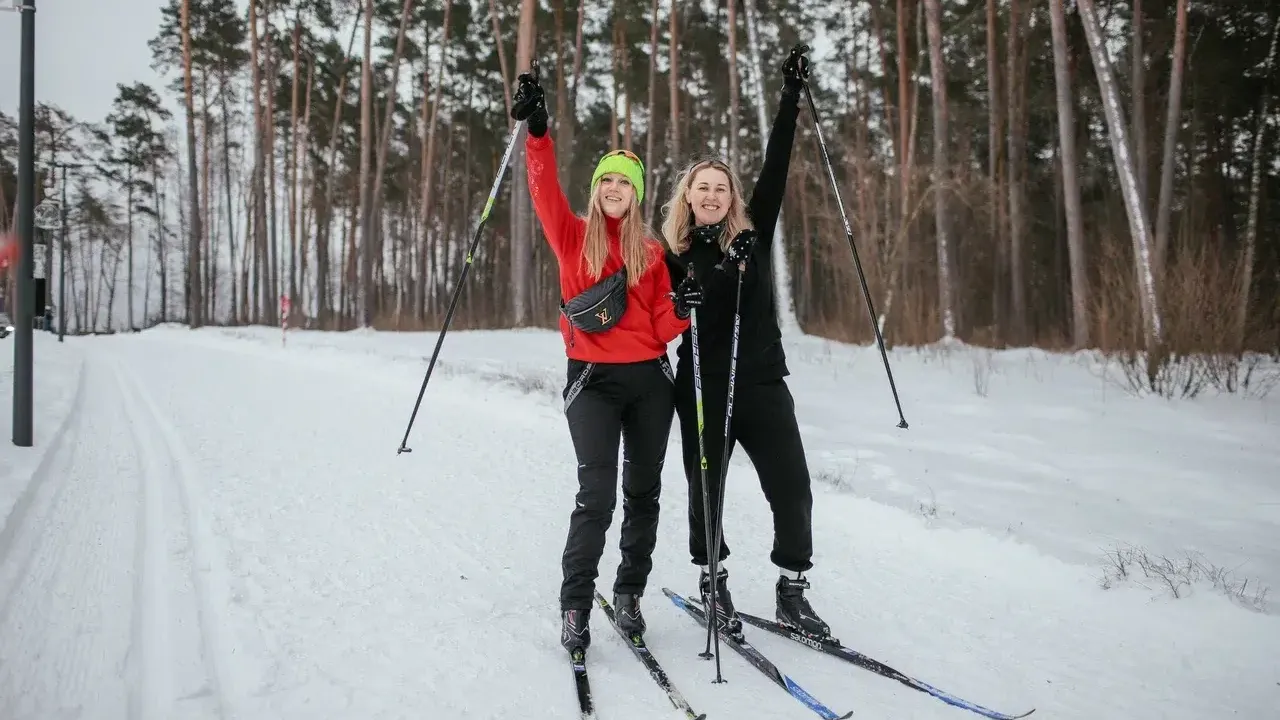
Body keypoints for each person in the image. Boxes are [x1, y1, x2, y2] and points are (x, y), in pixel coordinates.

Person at [509, 68, 704, 656]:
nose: (615, 187)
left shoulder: (651, 250)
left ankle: (628, 594)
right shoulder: (572, 236)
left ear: (637, 193)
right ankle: (575, 605)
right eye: (607, 179)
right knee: (596, 496)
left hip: (650, 383)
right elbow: (542, 187)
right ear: (596, 189)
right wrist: (538, 132)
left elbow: (659, 326)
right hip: (592, 382)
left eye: (625, 181)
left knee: (643, 494)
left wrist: (683, 310)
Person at [659, 44, 833, 640]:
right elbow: (663, 312)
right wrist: (683, 299)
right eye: (702, 188)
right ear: (688, 197)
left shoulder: (753, 233)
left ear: (732, 197)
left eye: (721, 188)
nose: (712, 195)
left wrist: (791, 96)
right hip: (703, 385)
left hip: (760, 380)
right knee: (705, 487)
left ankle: (792, 590)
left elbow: (777, 162)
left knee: (793, 487)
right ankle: (713, 579)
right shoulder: (674, 254)